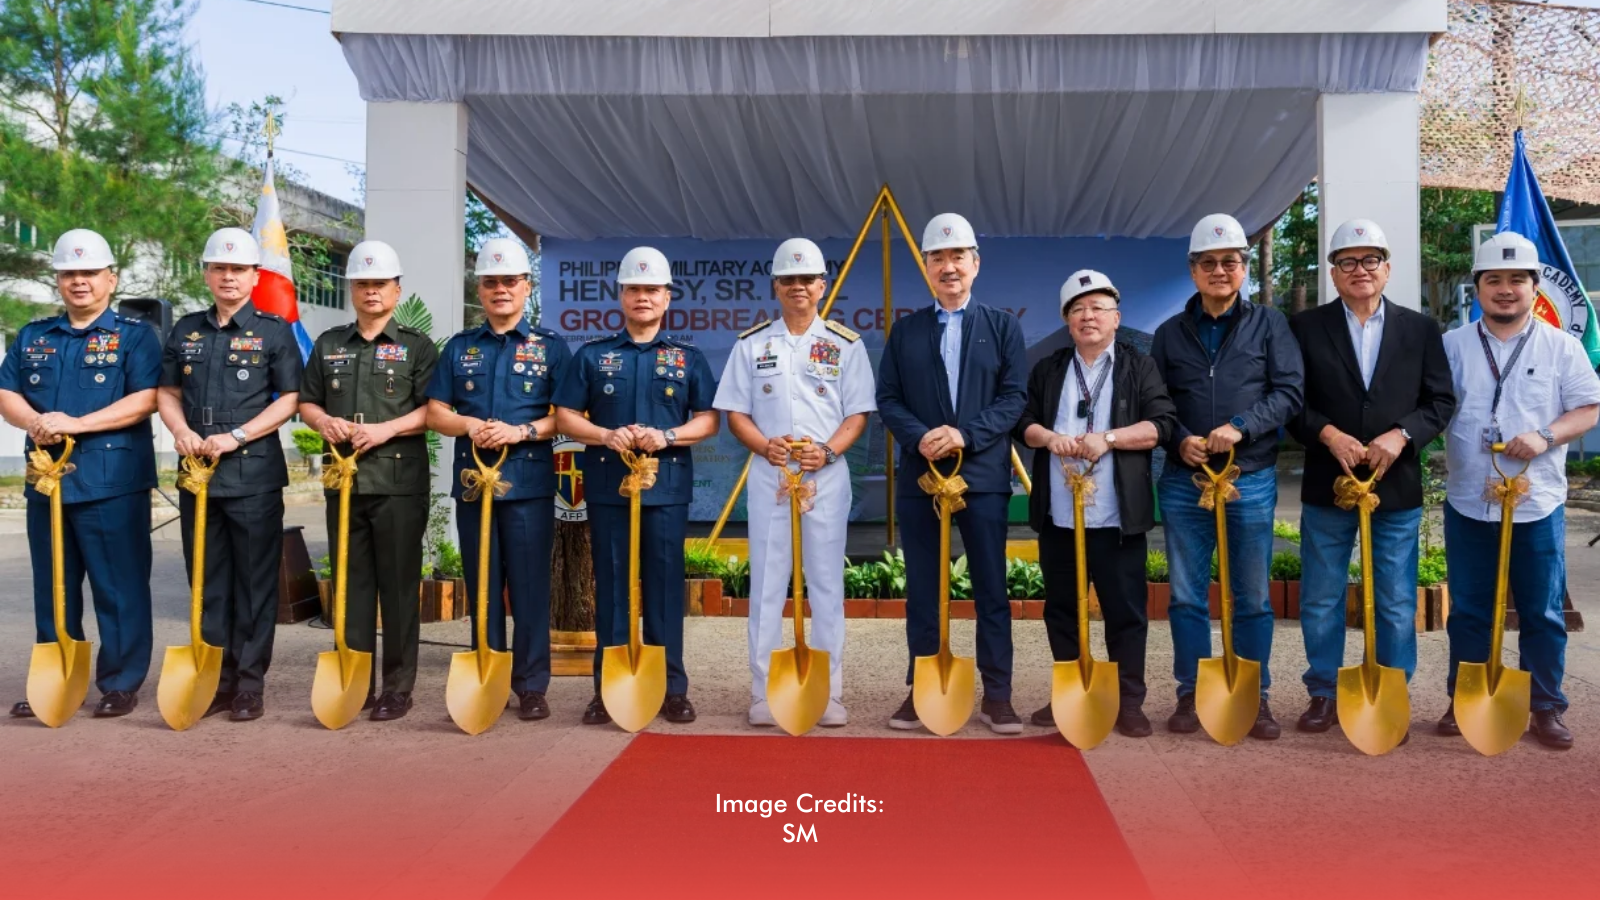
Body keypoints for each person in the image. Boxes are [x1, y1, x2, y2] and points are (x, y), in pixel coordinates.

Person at [1287, 219, 1455, 736]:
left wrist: (1401, 434)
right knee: (1320, 594)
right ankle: (1322, 692)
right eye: (1347, 262)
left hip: (1396, 486)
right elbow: (1292, 403)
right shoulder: (1304, 328)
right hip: (1327, 484)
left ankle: (1390, 693)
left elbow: (1440, 402)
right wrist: (1329, 434)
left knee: (1396, 597)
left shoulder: (1421, 329)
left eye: (1370, 261)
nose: (1360, 271)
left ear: (1387, 269)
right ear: (1333, 274)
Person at [1437, 231, 1600, 750]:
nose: (1504, 289)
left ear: (1535, 287)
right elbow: (1430, 406)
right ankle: (1464, 698)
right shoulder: (1451, 345)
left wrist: (1546, 435)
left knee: (1541, 609)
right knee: (1468, 609)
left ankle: (1545, 706)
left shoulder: (1561, 346)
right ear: (1478, 287)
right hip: (1469, 499)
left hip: (1537, 501)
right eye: (1493, 280)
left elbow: (1588, 408)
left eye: (1516, 280)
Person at [1149, 213, 1304, 740]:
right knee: (1188, 595)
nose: (1220, 271)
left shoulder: (1270, 324)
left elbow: (1288, 393)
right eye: (1209, 263)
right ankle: (1191, 693)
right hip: (1183, 481)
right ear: (1193, 271)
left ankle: (1253, 696)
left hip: (1250, 477)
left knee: (1252, 596)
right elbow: (1157, 403)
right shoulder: (1169, 334)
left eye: (1230, 262)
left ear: (1244, 270)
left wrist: (1240, 427)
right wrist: (1179, 439)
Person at [876, 212, 1029, 734]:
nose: (948, 266)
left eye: (957, 256)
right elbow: (888, 398)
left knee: (990, 586)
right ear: (925, 266)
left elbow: (1014, 399)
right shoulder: (906, 331)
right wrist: (921, 436)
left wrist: (966, 435)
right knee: (923, 586)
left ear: (975, 264)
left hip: (982, 476)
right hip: (921, 478)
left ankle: (999, 695)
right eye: (937, 257)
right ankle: (922, 688)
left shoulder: (1003, 327)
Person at [553, 246, 719, 727]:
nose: (642, 297)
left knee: (665, 589)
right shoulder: (593, 355)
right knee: (612, 588)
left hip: (665, 490)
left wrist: (667, 436)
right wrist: (606, 434)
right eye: (634, 289)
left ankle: (672, 689)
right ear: (620, 296)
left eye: (652, 290)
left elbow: (709, 420)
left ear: (667, 298)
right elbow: (564, 415)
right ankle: (608, 688)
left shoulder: (686, 358)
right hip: (609, 489)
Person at [713, 237, 875, 728]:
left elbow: (858, 414)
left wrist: (827, 450)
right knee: (766, 583)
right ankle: (763, 692)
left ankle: (829, 693)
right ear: (776, 286)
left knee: (825, 582)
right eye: (789, 279)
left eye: (807, 279)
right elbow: (735, 413)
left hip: (825, 477)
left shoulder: (846, 344)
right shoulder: (753, 343)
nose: (798, 286)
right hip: (770, 476)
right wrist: (764, 445)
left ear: (822, 285)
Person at [0, 229, 161, 719]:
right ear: (58, 280)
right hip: (46, 481)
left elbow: (147, 398)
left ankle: (120, 682)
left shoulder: (135, 337)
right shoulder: (34, 336)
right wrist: (35, 422)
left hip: (111, 482)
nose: (79, 281)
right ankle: (57, 679)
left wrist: (77, 424)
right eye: (69, 273)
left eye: (89, 272)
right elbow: (6, 392)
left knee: (119, 587)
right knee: (54, 587)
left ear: (110, 279)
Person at [1014, 269, 1177, 737]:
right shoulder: (1049, 369)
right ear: (1068, 322)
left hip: (1116, 516)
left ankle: (1128, 701)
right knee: (1062, 608)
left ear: (1116, 318)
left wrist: (1106, 438)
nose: (1088, 317)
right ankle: (1072, 689)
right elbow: (1022, 421)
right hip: (1059, 515)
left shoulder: (1137, 366)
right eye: (1078, 310)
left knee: (1125, 610)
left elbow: (1160, 424)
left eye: (1098, 308)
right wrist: (1048, 439)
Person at [155, 228, 303, 721]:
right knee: (208, 582)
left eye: (238, 269)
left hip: (252, 474)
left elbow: (288, 399)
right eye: (219, 268)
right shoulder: (186, 330)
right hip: (198, 475)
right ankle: (214, 678)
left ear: (255, 275)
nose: (228, 277)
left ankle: (248, 684)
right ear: (206, 274)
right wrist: (178, 431)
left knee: (255, 583)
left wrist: (237, 436)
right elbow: (168, 392)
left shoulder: (273, 330)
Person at [426, 238, 571, 721]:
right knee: (482, 584)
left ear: (526, 288)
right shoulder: (460, 347)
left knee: (529, 588)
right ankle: (488, 674)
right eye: (491, 282)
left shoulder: (550, 348)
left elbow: (567, 417)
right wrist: (470, 425)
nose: (501, 289)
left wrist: (522, 430)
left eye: (510, 281)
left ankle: (531, 686)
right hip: (474, 484)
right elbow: (435, 412)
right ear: (480, 289)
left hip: (527, 486)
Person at [297, 240, 439, 722]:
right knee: (350, 586)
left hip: (397, 482)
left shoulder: (417, 346)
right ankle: (353, 679)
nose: (371, 291)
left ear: (397, 290)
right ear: (351, 290)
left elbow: (433, 411)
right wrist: (322, 423)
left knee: (398, 589)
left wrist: (386, 428)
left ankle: (397, 688)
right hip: (344, 482)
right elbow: (308, 401)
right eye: (362, 284)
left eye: (380, 284)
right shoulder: (330, 344)